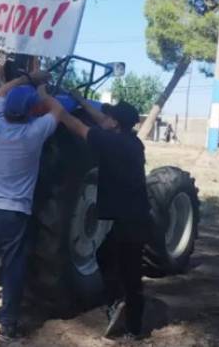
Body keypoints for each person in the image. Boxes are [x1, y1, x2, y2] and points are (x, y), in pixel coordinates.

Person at [0, 71, 63, 342]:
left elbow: (1, 91)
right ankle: (7, 328)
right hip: (14, 214)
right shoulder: (34, 133)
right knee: (13, 270)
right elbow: (58, 110)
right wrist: (41, 90)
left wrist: (25, 79)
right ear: (30, 111)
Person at [57, 94, 152, 339]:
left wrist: (53, 107)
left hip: (133, 221)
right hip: (129, 217)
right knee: (104, 255)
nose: (104, 118)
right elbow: (100, 119)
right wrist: (80, 99)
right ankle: (117, 303)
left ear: (116, 124)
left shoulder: (113, 144)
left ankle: (134, 329)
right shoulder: (129, 139)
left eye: (109, 117)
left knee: (131, 274)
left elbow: (77, 126)